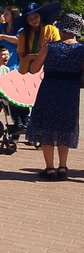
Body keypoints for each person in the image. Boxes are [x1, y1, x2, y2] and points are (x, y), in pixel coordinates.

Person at [26, 13, 84, 180]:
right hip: (70, 90)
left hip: (49, 88)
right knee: (65, 126)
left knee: (47, 126)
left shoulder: (49, 47)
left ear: (63, 29)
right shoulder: (81, 49)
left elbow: (34, 69)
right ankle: (63, 166)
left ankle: (50, 168)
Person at [17, 1, 60, 74]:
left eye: (35, 16)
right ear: (27, 21)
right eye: (30, 18)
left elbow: (58, 51)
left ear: (40, 15)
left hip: (45, 71)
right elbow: (22, 56)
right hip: (25, 72)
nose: (33, 20)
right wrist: (39, 56)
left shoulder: (51, 30)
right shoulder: (23, 34)